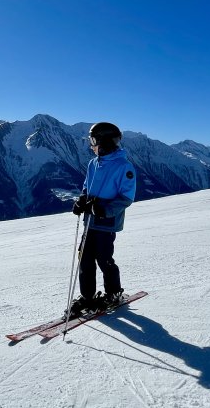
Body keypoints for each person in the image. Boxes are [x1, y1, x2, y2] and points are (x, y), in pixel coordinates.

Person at [69, 122, 137, 315]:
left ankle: (113, 293)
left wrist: (102, 209)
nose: (91, 145)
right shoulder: (93, 163)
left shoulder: (124, 166)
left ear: (105, 142)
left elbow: (126, 197)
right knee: (85, 259)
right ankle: (88, 297)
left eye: (93, 140)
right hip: (90, 221)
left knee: (104, 259)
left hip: (106, 223)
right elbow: (86, 186)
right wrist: (82, 200)